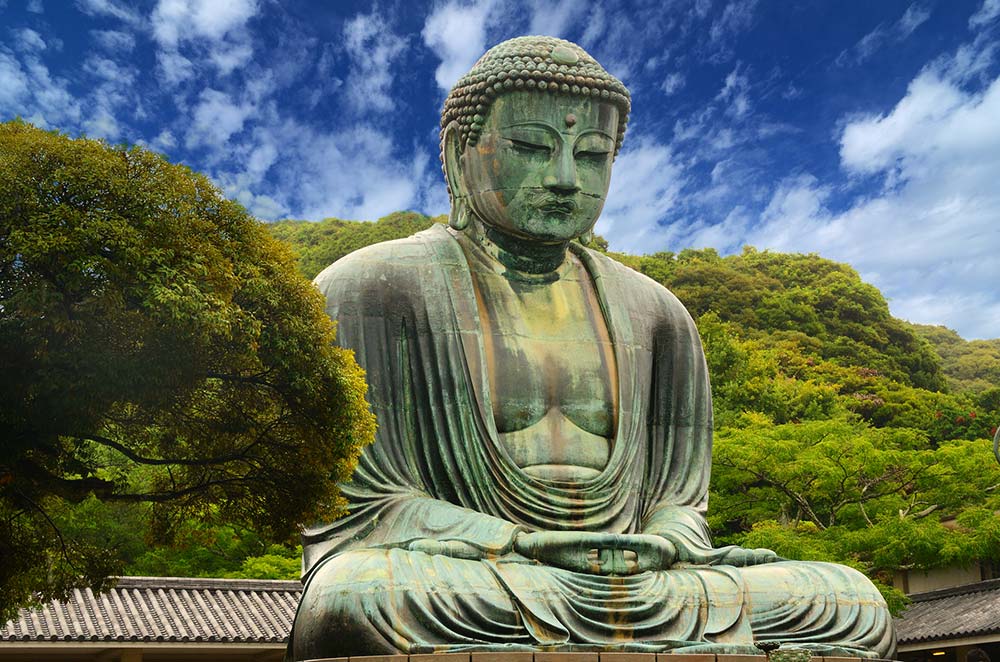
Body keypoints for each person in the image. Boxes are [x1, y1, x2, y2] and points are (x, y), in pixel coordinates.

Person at [286, 36, 895, 661]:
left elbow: (678, 504)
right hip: (479, 575)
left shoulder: (658, 313)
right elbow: (355, 512)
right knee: (356, 594)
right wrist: (516, 543)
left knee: (850, 600)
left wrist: (663, 541)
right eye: (530, 148)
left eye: (593, 155)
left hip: (642, 583)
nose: (564, 180)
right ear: (459, 153)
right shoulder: (371, 288)